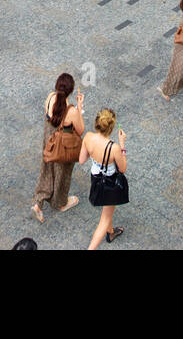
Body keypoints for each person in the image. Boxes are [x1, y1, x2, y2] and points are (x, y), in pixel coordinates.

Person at [32, 73, 84, 223]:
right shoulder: (71, 110)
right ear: (71, 91)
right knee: (62, 173)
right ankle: (60, 202)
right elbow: (80, 130)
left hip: (48, 142)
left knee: (47, 170)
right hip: (62, 146)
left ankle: (38, 203)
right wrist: (79, 108)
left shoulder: (50, 97)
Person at [80, 109, 128, 248]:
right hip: (110, 182)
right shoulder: (114, 148)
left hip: (96, 178)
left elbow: (82, 160)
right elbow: (123, 168)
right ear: (111, 128)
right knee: (105, 217)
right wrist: (122, 145)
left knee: (107, 209)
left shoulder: (88, 137)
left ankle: (111, 232)